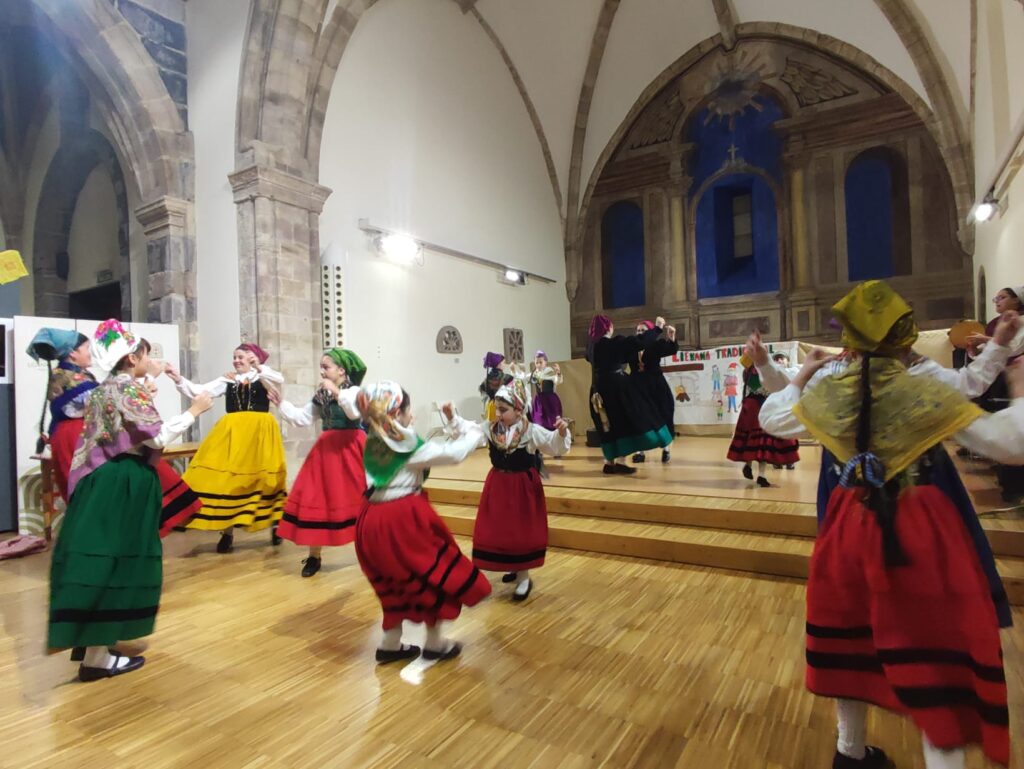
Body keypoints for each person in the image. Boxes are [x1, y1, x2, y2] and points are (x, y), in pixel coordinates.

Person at [757, 281, 1023, 768]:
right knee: (935, 661)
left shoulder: (829, 390)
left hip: (847, 528)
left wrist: (802, 375)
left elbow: (773, 418)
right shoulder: (923, 389)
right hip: (917, 533)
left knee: (851, 640)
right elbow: (1011, 444)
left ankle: (850, 754)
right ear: (906, 337)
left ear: (851, 339)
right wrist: (1019, 385)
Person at [48, 319, 212, 681]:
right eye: (146, 354)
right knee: (119, 561)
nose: (149, 360)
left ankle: (91, 642)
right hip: (123, 481)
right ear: (133, 357)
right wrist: (195, 410)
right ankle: (97, 658)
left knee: (101, 558)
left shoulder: (103, 389)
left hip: (101, 478)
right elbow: (156, 439)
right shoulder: (126, 389)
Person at [355, 381, 492, 664]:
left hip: (370, 520)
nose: (412, 416)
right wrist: (473, 432)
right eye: (408, 411)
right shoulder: (405, 447)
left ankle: (390, 644)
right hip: (402, 519)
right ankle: (435, 643)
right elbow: (453, 453)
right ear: (396, 414)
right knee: (432, 576)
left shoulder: (374, 439)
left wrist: (452, 422)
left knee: (392, 582)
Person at [446, 378, 571, 602]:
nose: (498, 414)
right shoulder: (491, 429)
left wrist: (561, 433)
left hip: (522, 489)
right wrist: (452, 418)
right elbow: (469, 431)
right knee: (503, 529)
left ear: (519, 410)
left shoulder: (530, 431)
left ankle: (523, 577)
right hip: (498, 486)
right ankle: (512, 566)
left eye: (503, 410)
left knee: (520, 531)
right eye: (497, 409)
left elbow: (553, 443)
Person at [166, 343, 287, 553]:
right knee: (228, 481)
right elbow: (200, 391)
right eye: (234, 357)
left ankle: (275, 524)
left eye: (241, 357)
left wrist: (259, 367)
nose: (236, 361)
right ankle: (227, 532)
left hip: (259, 434)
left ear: (253, 358)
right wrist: (178, 379)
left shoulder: (263, 377)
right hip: (233, 432)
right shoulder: (229, 380)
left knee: (264, 480)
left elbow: (279, 380)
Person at [275, 348, 367, 577]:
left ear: (341, 370)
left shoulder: (354, 391)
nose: (322, 372)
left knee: (363, 499)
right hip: (327, 450)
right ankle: (314, 556)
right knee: (316, 497)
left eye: (326, 367)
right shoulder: (322, 394)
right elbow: (303, 418)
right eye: (321, 367)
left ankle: (374, 551)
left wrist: (335, 391)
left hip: (352, 448)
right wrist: (281, 404)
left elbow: (354, 413)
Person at [586, 314, 673, 474]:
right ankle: (620, 462)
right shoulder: (614, 343)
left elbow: (610, 357)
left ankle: (609, 462)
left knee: (607, 426)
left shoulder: (591, 348)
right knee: (624, 423)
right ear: (608, 328)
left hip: (597, 389)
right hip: (616, 388)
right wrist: (657, 329)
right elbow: (639, 342)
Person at [726, 360, 798, 487]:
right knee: (760, 440)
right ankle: (757, 472)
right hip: (758, 407)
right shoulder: (756, 371)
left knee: (754, 439)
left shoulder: (751, 371)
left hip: (755, 406)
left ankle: (755, 470)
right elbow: (766, 387)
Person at [629, 318, 679, 464]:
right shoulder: (631, 346)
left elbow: (672, 349)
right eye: (638, 330)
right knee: (639, 418)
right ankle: (640, 452)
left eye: (643, 330)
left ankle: (666, 449)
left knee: (662, 414)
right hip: (637, 386)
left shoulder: (656, 345)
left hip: (656, 385)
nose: (640, 333)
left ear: (650, 332)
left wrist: (671, 337)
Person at [528, 351, 563, 432]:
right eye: (537, 363)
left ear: (546, 362)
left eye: (541, 362)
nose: (538, 365)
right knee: (539, 420)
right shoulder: (534, 373)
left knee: (551, 420)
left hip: (550, 400)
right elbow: (525, 378)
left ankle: (552, 434)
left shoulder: (549, 372)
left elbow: (557, 381)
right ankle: (541, 434)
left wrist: (558, 373)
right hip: (539, 401)